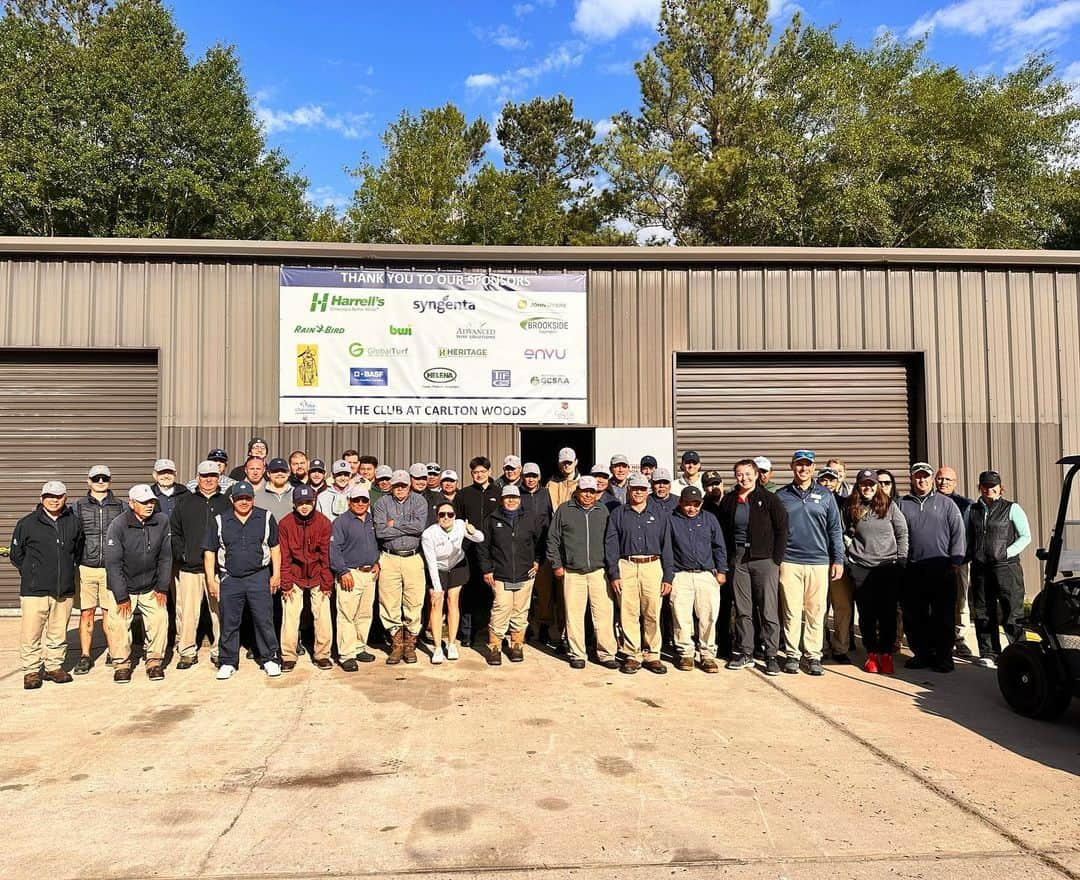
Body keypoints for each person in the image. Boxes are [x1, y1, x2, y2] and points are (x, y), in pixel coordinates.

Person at [203, 481, 282, 680]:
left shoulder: (266, 517)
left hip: (259, 576)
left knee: (264, 619)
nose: (244, 502)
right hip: (230, 578)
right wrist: (211, 580)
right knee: (229, 622)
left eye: (248, 498)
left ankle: (270, 659)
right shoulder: (220, 520)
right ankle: (228, 661)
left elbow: (275, 548)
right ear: (232, 499)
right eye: (240, 498)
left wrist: (276, 574)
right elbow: (210, 552)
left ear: (253, 499)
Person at [776, 450, 845, 676]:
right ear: (791, 466)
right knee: (791, 611)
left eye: (807, 465)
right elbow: (775, 530)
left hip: (818, 561)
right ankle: (792, 655)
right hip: (789, 561)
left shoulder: (826, 495)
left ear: (814, 468)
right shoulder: (781, 495)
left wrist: (838, 560)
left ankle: (813, 655)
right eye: (799, 465)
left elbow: (835, 529)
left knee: (816, 611)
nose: (803, 469)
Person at [717, 459, 788, 675]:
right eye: (739, 474)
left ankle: (771, 655)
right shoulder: (729, 500)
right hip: (738, 560)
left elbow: (782, 529)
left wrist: (776, 559)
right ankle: (746, 651)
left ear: (757, 475)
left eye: (748, 474)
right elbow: (722, 531)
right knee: (742, 610)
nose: (744, 478)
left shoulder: (769, 499)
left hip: (764, 560)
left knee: (767, 609)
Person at [12, 481, 84, 689]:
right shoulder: (27, 523)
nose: (54, 500)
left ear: (65, 498)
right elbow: (17, 555)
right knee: (31, 632)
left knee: (58, 631)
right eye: (49, 496)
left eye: (59, 496)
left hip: (64, 589)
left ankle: (54, 667)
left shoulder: (74, 522)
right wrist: (32, 572)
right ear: (41, 498)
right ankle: (32, 671)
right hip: (35, 590)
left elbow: (77, 551)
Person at [898, 462, 965, 673]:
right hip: (912, 569)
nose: (921, 480)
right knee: (914, 616)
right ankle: (921, 654)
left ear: (931, 479)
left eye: (925, 476)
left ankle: (944, 657)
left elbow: (958, 534)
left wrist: (955, 562)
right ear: (912, 478)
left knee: (943, 616)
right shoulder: (901, 504)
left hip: (942, 568)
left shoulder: (946, 504)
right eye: (917, 476)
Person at [606, 473, 674, 675]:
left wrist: (668, 576)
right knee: (628, 612)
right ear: (628, 489)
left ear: (648, 491)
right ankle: (632, 654)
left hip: (653, 566)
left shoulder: (660, 514)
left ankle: (653, 655)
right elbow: (611, 545)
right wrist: (614, 573)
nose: (638, 492)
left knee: (652, 611)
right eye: (635, 488)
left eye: (643, 489)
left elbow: (667, 546)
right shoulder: (618, 514)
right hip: (626, 565)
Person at [547, 476, 618, 670]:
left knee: (603, 614)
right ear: (578, 490)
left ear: (597, 493)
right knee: (574, 615)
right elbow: (553, 539)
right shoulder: (564, 510)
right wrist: (556, 564)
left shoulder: (603, 511)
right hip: (572, 572)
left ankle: (606, 653)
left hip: (598, 571)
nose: (588, 495)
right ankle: (577, 653)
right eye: (585, 491)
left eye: (592, 492)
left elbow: (611, 541)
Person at [842, 470, 908, 675]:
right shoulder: (851, 507)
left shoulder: (889, 505)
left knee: (887, 613)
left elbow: (902, 532)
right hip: (861, 566)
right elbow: (842, 533)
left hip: (887, 566)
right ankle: (871, 653)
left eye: (872, 484)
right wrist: (848, 559)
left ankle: (886, 654)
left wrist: (902, 559)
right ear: (858, 486)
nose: (868, 488)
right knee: (867, 613)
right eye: (864, 484)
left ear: (877, 486)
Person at [104, 484, 172, 683]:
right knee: (118, 624)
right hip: (124, 586)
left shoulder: (162, 521)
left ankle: (154, 661)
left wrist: (162, 587)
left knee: (159, 619)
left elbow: (166, 557)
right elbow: (113, 564)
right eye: (144, 502)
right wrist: (121, 595)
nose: (149, 506)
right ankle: (122, 664)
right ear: (132, 503)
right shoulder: (118, 525)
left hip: (151, 585)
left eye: (152, 501)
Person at [966, 470, 1031, 669]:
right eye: (985, 486)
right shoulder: (973, 510)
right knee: (984, 611)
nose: (989, 490)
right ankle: (989, 652)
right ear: (980, 487)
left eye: (993, 486)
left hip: (1006, 568)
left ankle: (1021, 653)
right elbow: (969, 537)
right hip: (980, 569)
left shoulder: (1012, 508)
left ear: (1000, 487)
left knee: (1012, 611)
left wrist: (1006, 552)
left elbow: (1025, 536)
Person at [170, 461, 231, 668]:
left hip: (217, 571)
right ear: (197, 478)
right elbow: (175, 532)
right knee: (188, 613)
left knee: (220, 612)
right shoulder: (185, 502)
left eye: (212, 476)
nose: (208, 479)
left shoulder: (226, 503)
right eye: (204, 475)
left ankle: (220, 650)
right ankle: (187, 651)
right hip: (190, 568)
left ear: (218, 478)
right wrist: (183, 554)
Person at [476, 486, 544, 665]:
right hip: (500, 574)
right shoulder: (491, 520)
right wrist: (487, 569)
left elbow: (539, 542)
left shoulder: (530, 519)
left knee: (520, 612)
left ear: (520, 499)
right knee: (500, 610)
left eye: (514, 497)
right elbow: (483, 547)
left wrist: (537, 561)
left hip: (525, 574)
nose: (511, 500)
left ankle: (517, 645)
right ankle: (495, 647)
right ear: (502, 499)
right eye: (507, 497)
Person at [668, 486, 728, 673]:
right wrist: (669, 576)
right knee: (681, 616)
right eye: (687, 504)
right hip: (681, 574)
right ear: (680, 502)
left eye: (696, 504)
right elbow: (667, 550)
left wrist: (721, 571)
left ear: (701, 503)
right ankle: (685, 653)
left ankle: (707, 654)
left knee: (708, 616)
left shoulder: (709, 519)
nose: (691, 508)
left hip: (705, 575)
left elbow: (719, 546)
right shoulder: (671, 520)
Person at [373, 469, 429, 664]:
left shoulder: (419, 501)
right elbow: (380, 531)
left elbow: (419, 527)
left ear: (409, 485)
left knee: (414, 601)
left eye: (403, 486)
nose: (400, 489)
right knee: (389, 601)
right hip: (389, 557)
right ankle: (396, 644)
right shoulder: (382, 503)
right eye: (396, 486)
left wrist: (393, 524)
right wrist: (404, 525)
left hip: (413, 557)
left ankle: (410, 642)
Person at [73, 464, 124, 675]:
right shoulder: (77, 506)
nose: (100, 482)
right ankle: (85, 655)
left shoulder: (121, 506)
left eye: (104, 478)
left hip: (111, 568)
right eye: (96, 478)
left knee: (110, 613)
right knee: (87, 613)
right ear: (88, 481)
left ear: (110, 480)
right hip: (86, 567)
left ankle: (114, 651)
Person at [277, 485, 333, 671]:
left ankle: (322, 654)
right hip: (294, 574)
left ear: (314, 502)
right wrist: (286, 583)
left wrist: (327, 582)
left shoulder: (324, 523)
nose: (304, 506)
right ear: (294, 503)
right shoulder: (285, 524)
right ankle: (288, 656)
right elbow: (284, 556)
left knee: (322, 616)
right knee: (291, 617)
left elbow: (326, 555)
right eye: (300, 503)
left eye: (308, 502)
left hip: (317, 573)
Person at [422, 501, 483, 664]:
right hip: (438, 568)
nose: (446, 517)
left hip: (457, 565)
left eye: (450, 514)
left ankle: (451, 643)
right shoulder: (429, 534)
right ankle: (437, 648)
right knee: (436, 603)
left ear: (455, 516)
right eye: (442, 514)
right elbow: (431, 563)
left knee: (452, 600)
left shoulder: (460, 525)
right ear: (437, 517)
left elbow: (480, 538)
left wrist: (473, 531)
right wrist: (437, 587)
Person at [330, 484, 381, 671]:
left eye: (364, 500)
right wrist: (342, 571)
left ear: (368, 502)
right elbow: (334, 549)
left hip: (370, 575)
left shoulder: (372, 520)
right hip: (350, 573)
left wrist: (377, 563)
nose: (360, 503)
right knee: (346, 615)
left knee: (365, 614)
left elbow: (378, 544)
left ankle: (360, 647)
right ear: (349, 501)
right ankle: (347, 654)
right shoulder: (341, 522)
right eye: (356, 500)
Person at [454, 456, 501, 646]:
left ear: (489, 472)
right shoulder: (464, 494)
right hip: (469, 551)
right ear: (471, 474)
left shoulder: (499, 493)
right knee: (468, 592)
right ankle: (467, 633)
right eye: (475, 472)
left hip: (493, 552)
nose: (479, 475)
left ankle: (491, 631)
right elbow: (457, 522)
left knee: (492, 594)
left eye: (482, 471)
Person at [935, 466, 975, 658]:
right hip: (933, 560)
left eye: (948, 480)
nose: (943, 482)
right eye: (940, 479)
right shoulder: (928, 501)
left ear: (955, 482)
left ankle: (959, 640)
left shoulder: (965, 505)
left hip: (959, 561)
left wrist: (961, 558)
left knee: (960, 602)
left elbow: (970, 534)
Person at [255, 457, 294, 522]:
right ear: (268, 474)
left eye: (283, 471)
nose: (279, 474)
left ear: (288, 473)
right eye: (275, 471)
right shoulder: (257, 495)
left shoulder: (296, 493)